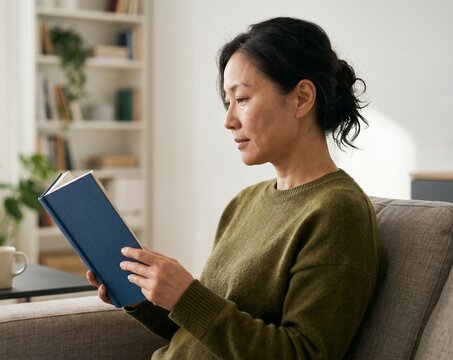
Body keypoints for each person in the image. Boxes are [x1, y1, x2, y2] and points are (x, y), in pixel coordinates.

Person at [87, 17, 387, 359]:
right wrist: (145, 298)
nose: (229, 121)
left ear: (302, 98)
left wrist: (186, 296)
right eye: (227, 103)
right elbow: (204, 336)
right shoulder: (244, 203)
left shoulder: (338, 212)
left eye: (242, 99)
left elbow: (303, 353)